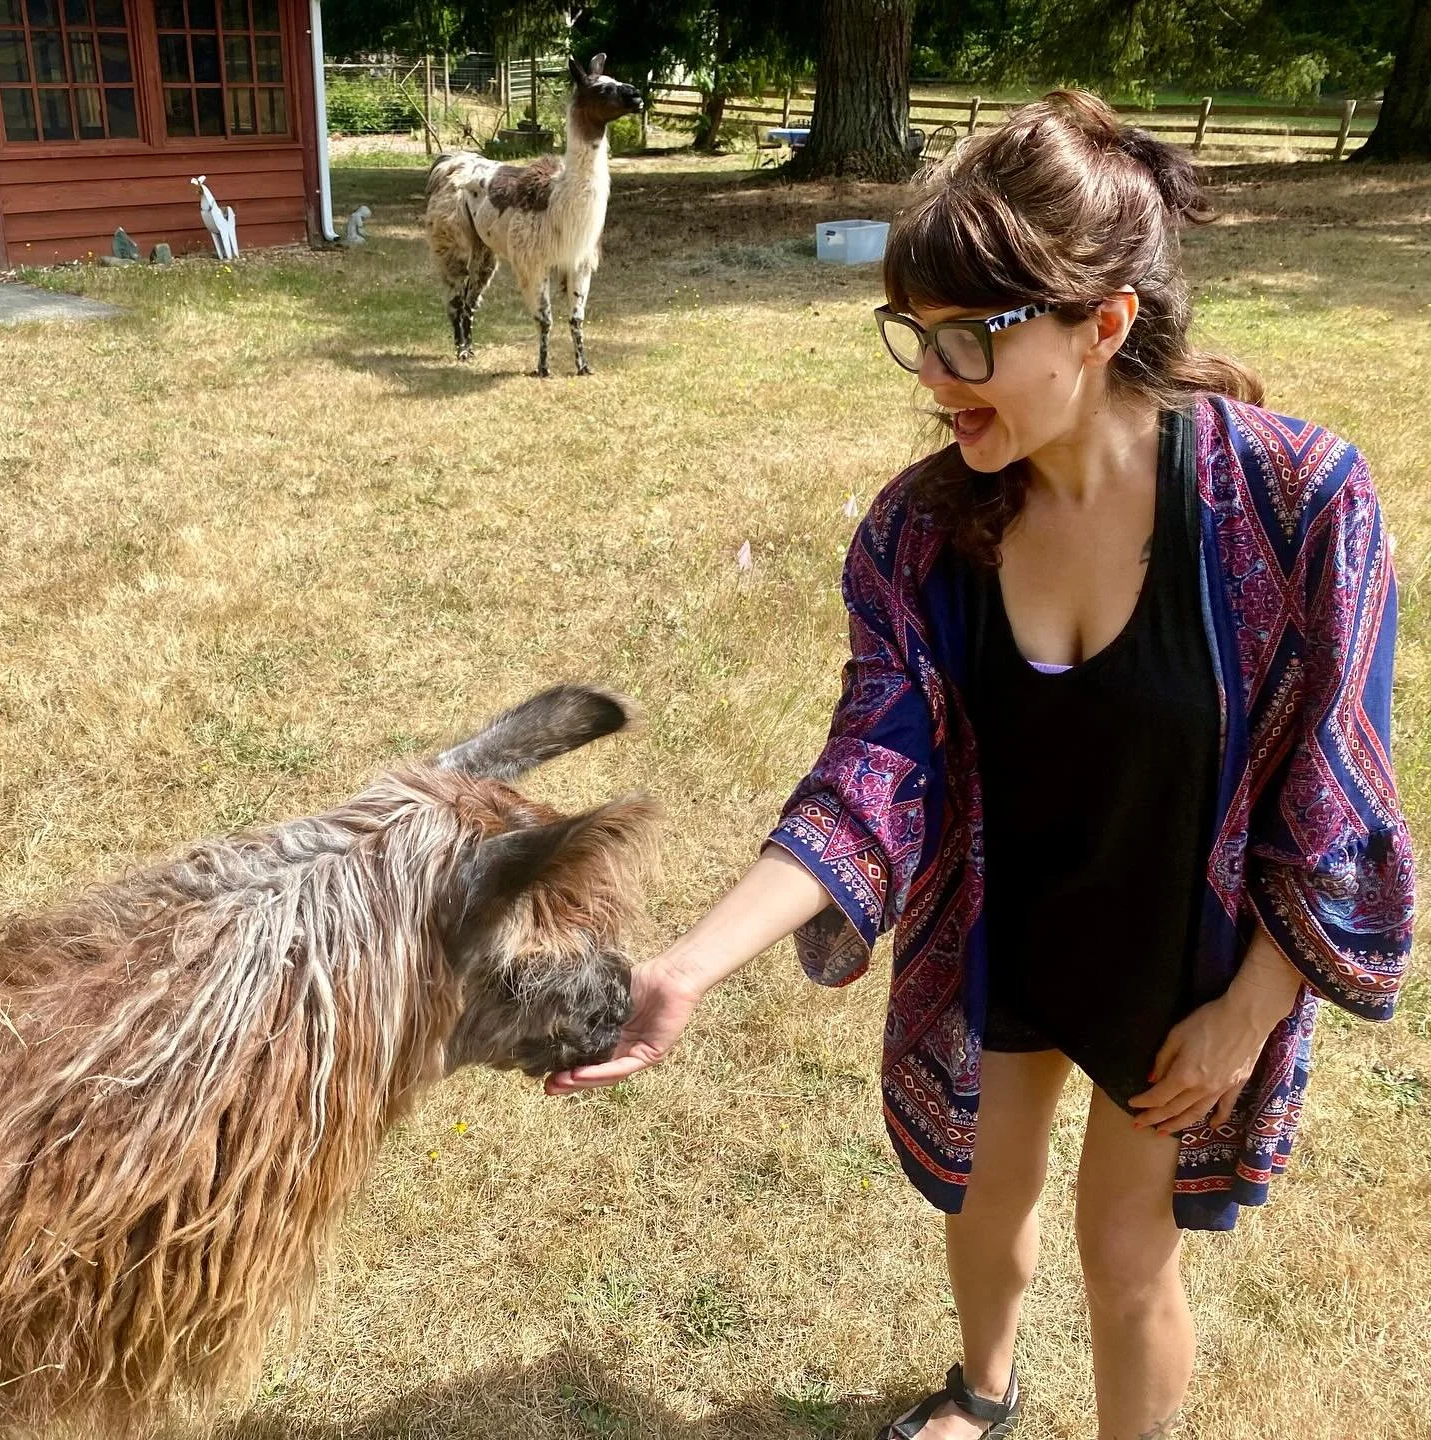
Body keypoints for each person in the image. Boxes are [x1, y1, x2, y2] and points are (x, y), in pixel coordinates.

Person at [547, 91, 1415, 1439]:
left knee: (1126, 1258)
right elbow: (871, 779)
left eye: (968, 340)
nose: (933, 375)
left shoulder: (1300, 502)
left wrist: (1251, 1007)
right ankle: (983, 1392)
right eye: (916, 335)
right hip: (1001, 931)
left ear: (1103, 325)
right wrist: (684, 971)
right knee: (985, 1195)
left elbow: (1339, 792)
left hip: (1178, 964)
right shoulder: (923, 534)